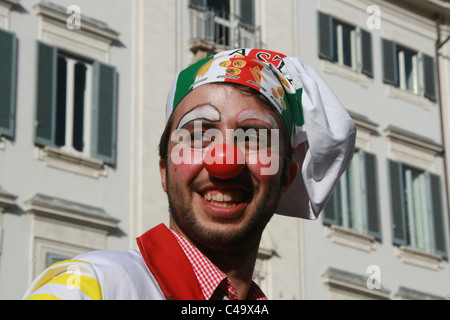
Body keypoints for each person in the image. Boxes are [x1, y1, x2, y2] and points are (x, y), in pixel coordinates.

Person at [23, 48, 356, 300]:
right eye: (199, 133)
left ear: (286, 177)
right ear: (164, 170)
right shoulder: (89, 286)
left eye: (254, 137)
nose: (224, 161)